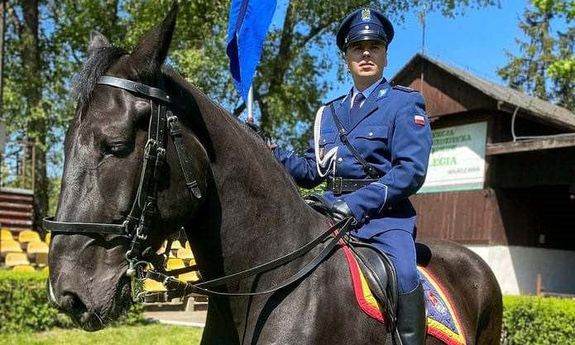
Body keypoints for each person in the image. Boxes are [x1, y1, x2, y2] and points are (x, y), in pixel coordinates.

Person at [271, 7, 432, 345]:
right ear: (346, 58)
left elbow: (410, 172)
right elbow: (312, 171)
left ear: (386, 55)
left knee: (404, 275)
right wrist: (270, 151)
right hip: (329, 214)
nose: (366, 53)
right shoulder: (328, 114)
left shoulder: (405, 104)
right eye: (357, 48)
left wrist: (357, 204)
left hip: (384, 220)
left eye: (374, 46)